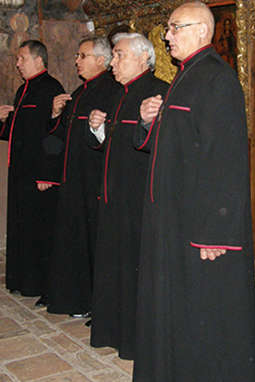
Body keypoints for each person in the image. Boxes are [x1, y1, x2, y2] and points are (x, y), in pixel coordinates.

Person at [134, 2, 255, 381]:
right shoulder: (185, 76)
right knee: (181, 311)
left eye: (175, 27)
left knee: (206, 313)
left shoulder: (217, 80)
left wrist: (215, 232)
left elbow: (225, 159)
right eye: (168, 28)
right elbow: (174, 144)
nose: (167, 35)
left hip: (200, 225)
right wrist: (145, 121)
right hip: (173, 217)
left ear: (202, 31)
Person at [87, 33, 168, 360]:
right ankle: (113, 330)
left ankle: (136, 337)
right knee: (114, 269)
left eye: (119, 55)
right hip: (113, 199)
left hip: (139, 202)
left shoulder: (158, 92)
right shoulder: (119, 95)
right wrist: (97, 129)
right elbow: (113, 147)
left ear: (142, 58)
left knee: (134, 272)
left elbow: (160, 147)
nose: (113, 62)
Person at [46, 37, 121, 317]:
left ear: (101, 60)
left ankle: (94, 304)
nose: (76, 60)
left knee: (95, 246)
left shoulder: (113, 92)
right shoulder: (78, 93)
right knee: (74, 243)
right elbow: (61, 138)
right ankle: (76, 300)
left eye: (82, 55)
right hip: (73, 182)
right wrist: (55, 115)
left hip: (94, 183)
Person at [0, 40, 65, 306]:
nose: (17, 63)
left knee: (41, 231)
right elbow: (19, 131)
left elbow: (54, 133)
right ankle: (22, 280)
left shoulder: (52, 88)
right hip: (20, 173)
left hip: (39, 176)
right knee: (23, 227)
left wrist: (48, 174)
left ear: (38, 60)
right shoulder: (22, 90)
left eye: (22, 58)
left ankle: (42, 284)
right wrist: (2, 120)